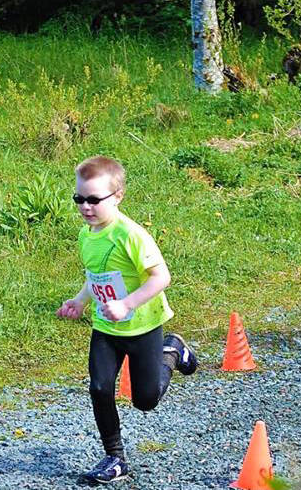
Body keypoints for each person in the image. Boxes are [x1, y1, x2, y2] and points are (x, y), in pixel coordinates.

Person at [56, 155, 198, 484]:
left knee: (145, 400)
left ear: (117, 196)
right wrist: (80, 300)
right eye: (79, 198)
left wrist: (126, 304)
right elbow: (96, 276)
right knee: (99, 388)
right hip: (106, 328)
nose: (86, 206)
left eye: (94, 199)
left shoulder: (131, 234)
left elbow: (161, 277)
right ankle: (115, 458)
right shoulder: (86, 235)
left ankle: (172, 351)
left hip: (142, 326)